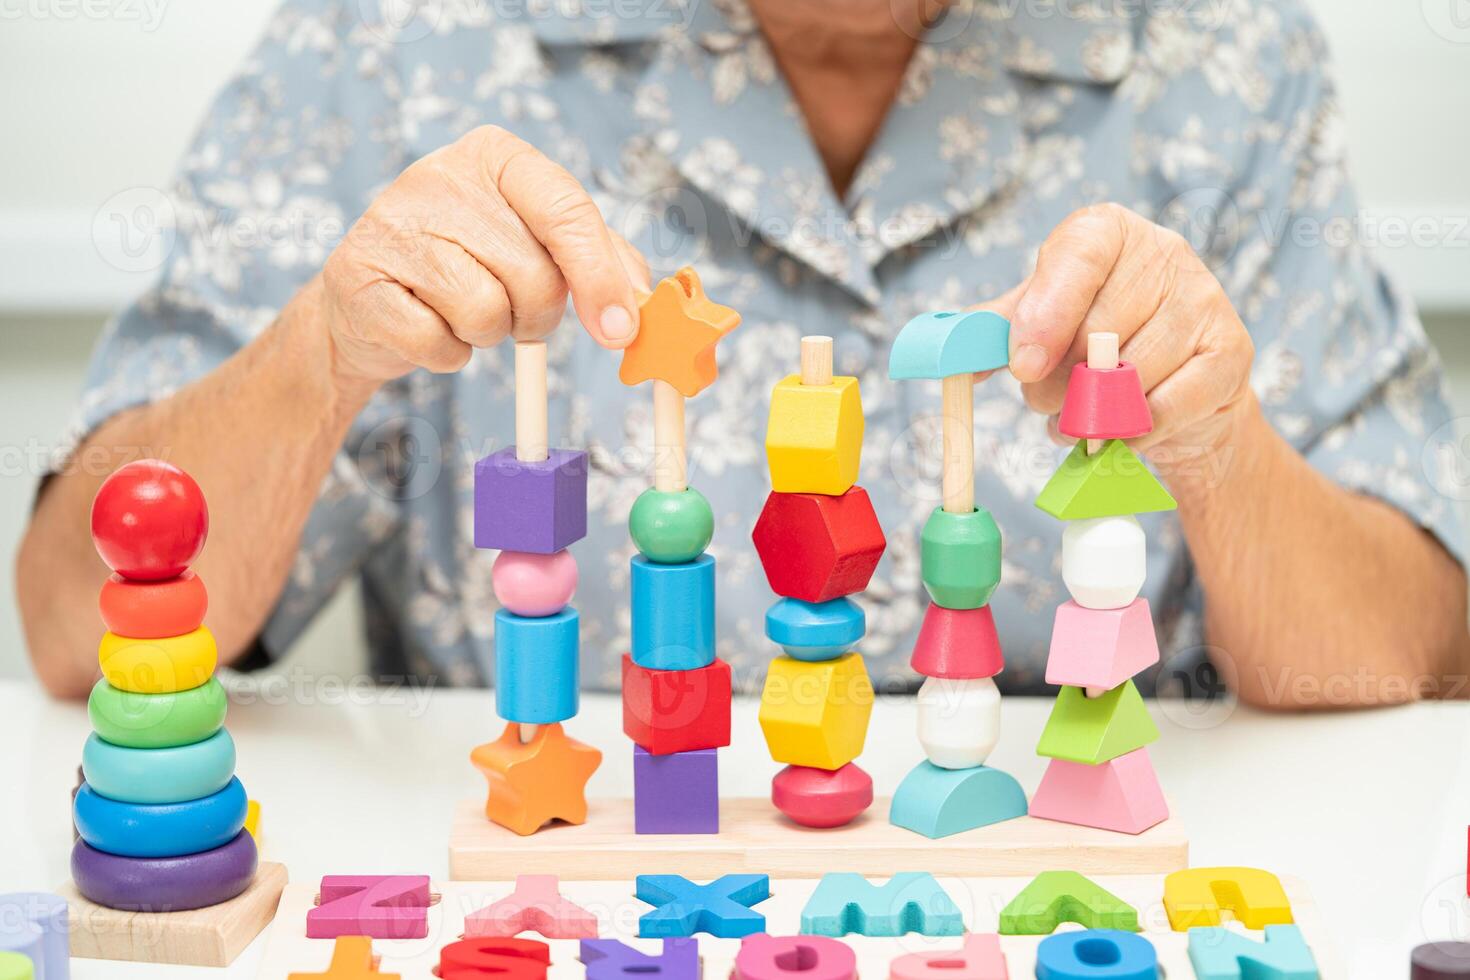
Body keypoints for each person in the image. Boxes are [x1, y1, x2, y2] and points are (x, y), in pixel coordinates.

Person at [17, 0, 1469, 708]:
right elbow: (81, 624)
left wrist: (1218, 455)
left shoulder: (1222, 51)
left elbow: (1417, 653)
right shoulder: (401, 38)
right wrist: (315, 357)